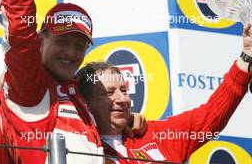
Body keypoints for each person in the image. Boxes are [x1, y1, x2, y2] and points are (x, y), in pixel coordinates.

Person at [0, 0, 146, 164]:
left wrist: (121, 119)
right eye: (62, 42)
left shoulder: (75, 91)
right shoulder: (30, 84)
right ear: (40, 39)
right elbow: (20, 28)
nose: (70, 53)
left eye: (79, 45)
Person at [76, 23, 252, 163]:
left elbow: (210, 115)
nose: (123, 99)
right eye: (109, 93)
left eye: (124, 90)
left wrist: (247, 56)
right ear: (87, 102)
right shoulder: (80, 149)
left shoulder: (158, 135)